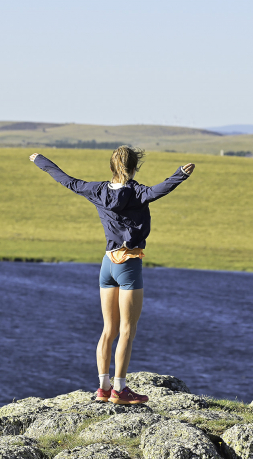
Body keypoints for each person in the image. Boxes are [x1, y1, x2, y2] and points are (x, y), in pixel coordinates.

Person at [30, 146, 195, 404]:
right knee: (127, 329)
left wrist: (41, 160)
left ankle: (103, 388)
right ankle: (120, 390)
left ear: (111, 167)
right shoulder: (137, 193)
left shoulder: (97, 191)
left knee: (109, 329)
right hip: (128, 264)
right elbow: (158, 191)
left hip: (107, 265)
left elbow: (67, 180)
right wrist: (179, 175)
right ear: (134, 167)